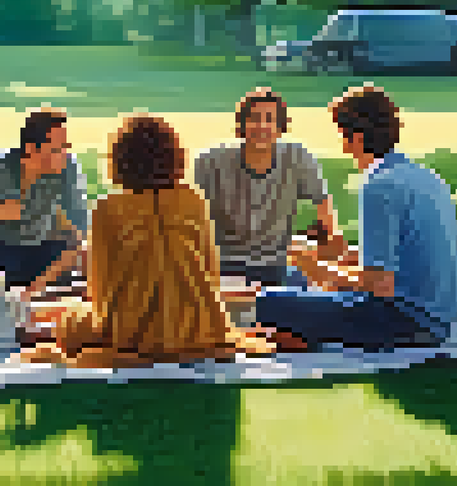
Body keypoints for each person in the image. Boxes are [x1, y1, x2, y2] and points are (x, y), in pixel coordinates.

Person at [17, 115, 275, 367]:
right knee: (77, 319)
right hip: (200, 331)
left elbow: (99, 291)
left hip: (129, 336)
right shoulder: (193, 202)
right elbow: (211, 273)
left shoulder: (107, 209)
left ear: (119, 161)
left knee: (72, 321)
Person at [256, 84, 457, 351]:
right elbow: (408, 252)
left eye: (342, 137)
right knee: (294, 278)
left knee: (268, 300)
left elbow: (380, 285)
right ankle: (301, 333)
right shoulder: (425, 176)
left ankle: (300, 336)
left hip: (409, 321)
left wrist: (320, 270)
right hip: (443, 315)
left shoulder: (379, 185)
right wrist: (344, 259)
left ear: (355, 138)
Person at [193, 88, 335, 288]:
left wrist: (328, 243)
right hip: (223, 263)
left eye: (269, 119)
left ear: (280, 127)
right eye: (254, 118)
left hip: (275, 263)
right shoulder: (210, 162)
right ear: (241, 124)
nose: (261, 126)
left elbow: (323, 203)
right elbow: (189, 213)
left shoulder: (298, 158)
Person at [0, 107, 90, 298]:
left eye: (67, 147)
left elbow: (79, 236)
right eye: (58, 149)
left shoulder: (68, 169)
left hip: (45, 251)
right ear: (32, 149)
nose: (66, 155)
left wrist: (35, 289)